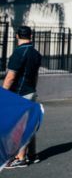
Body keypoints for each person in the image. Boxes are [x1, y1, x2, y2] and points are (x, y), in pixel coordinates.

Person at [3, 26, 42, 168]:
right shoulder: (36, 54)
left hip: (19, 94)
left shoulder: (18, 53)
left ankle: (21, 158)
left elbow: (10, 77)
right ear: (30, 36)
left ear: (17, 36)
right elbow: (36, 75)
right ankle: (32, 154)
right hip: (31, 91)